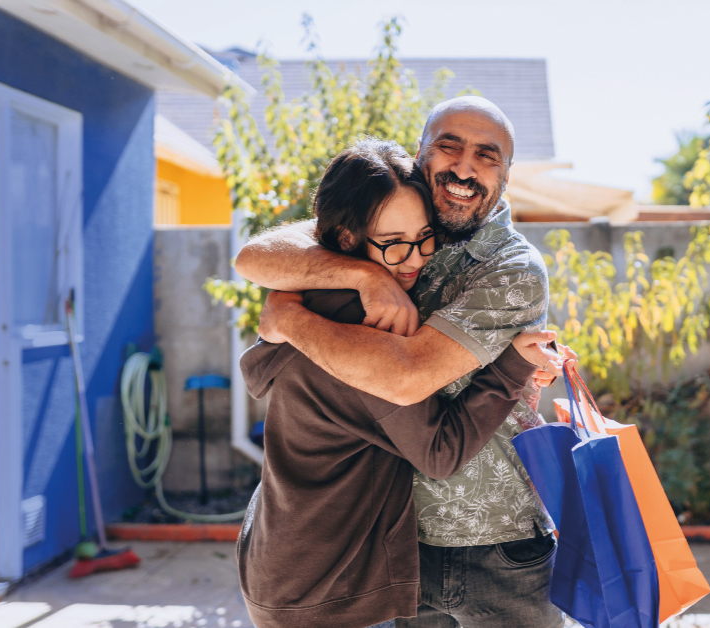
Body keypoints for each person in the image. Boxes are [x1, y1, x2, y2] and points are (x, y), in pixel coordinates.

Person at [239, 97, 567, 628]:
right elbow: (253, 258)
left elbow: (405, 375)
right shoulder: (389, 221)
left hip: (498, 544)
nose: (464, 167)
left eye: (487, 156)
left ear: (506, 175)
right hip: (397, 545)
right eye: (449, 146)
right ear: (421, 157)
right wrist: (365, 277)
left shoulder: (510, 266)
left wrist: (290, 318)